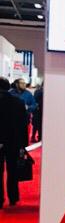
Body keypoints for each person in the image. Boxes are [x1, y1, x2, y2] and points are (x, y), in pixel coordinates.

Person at [0, 77, 28, 207]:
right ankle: (13, 197)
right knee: (13, 170)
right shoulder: (19, 102)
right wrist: (24, 145)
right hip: (14, 142)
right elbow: (23, 125)